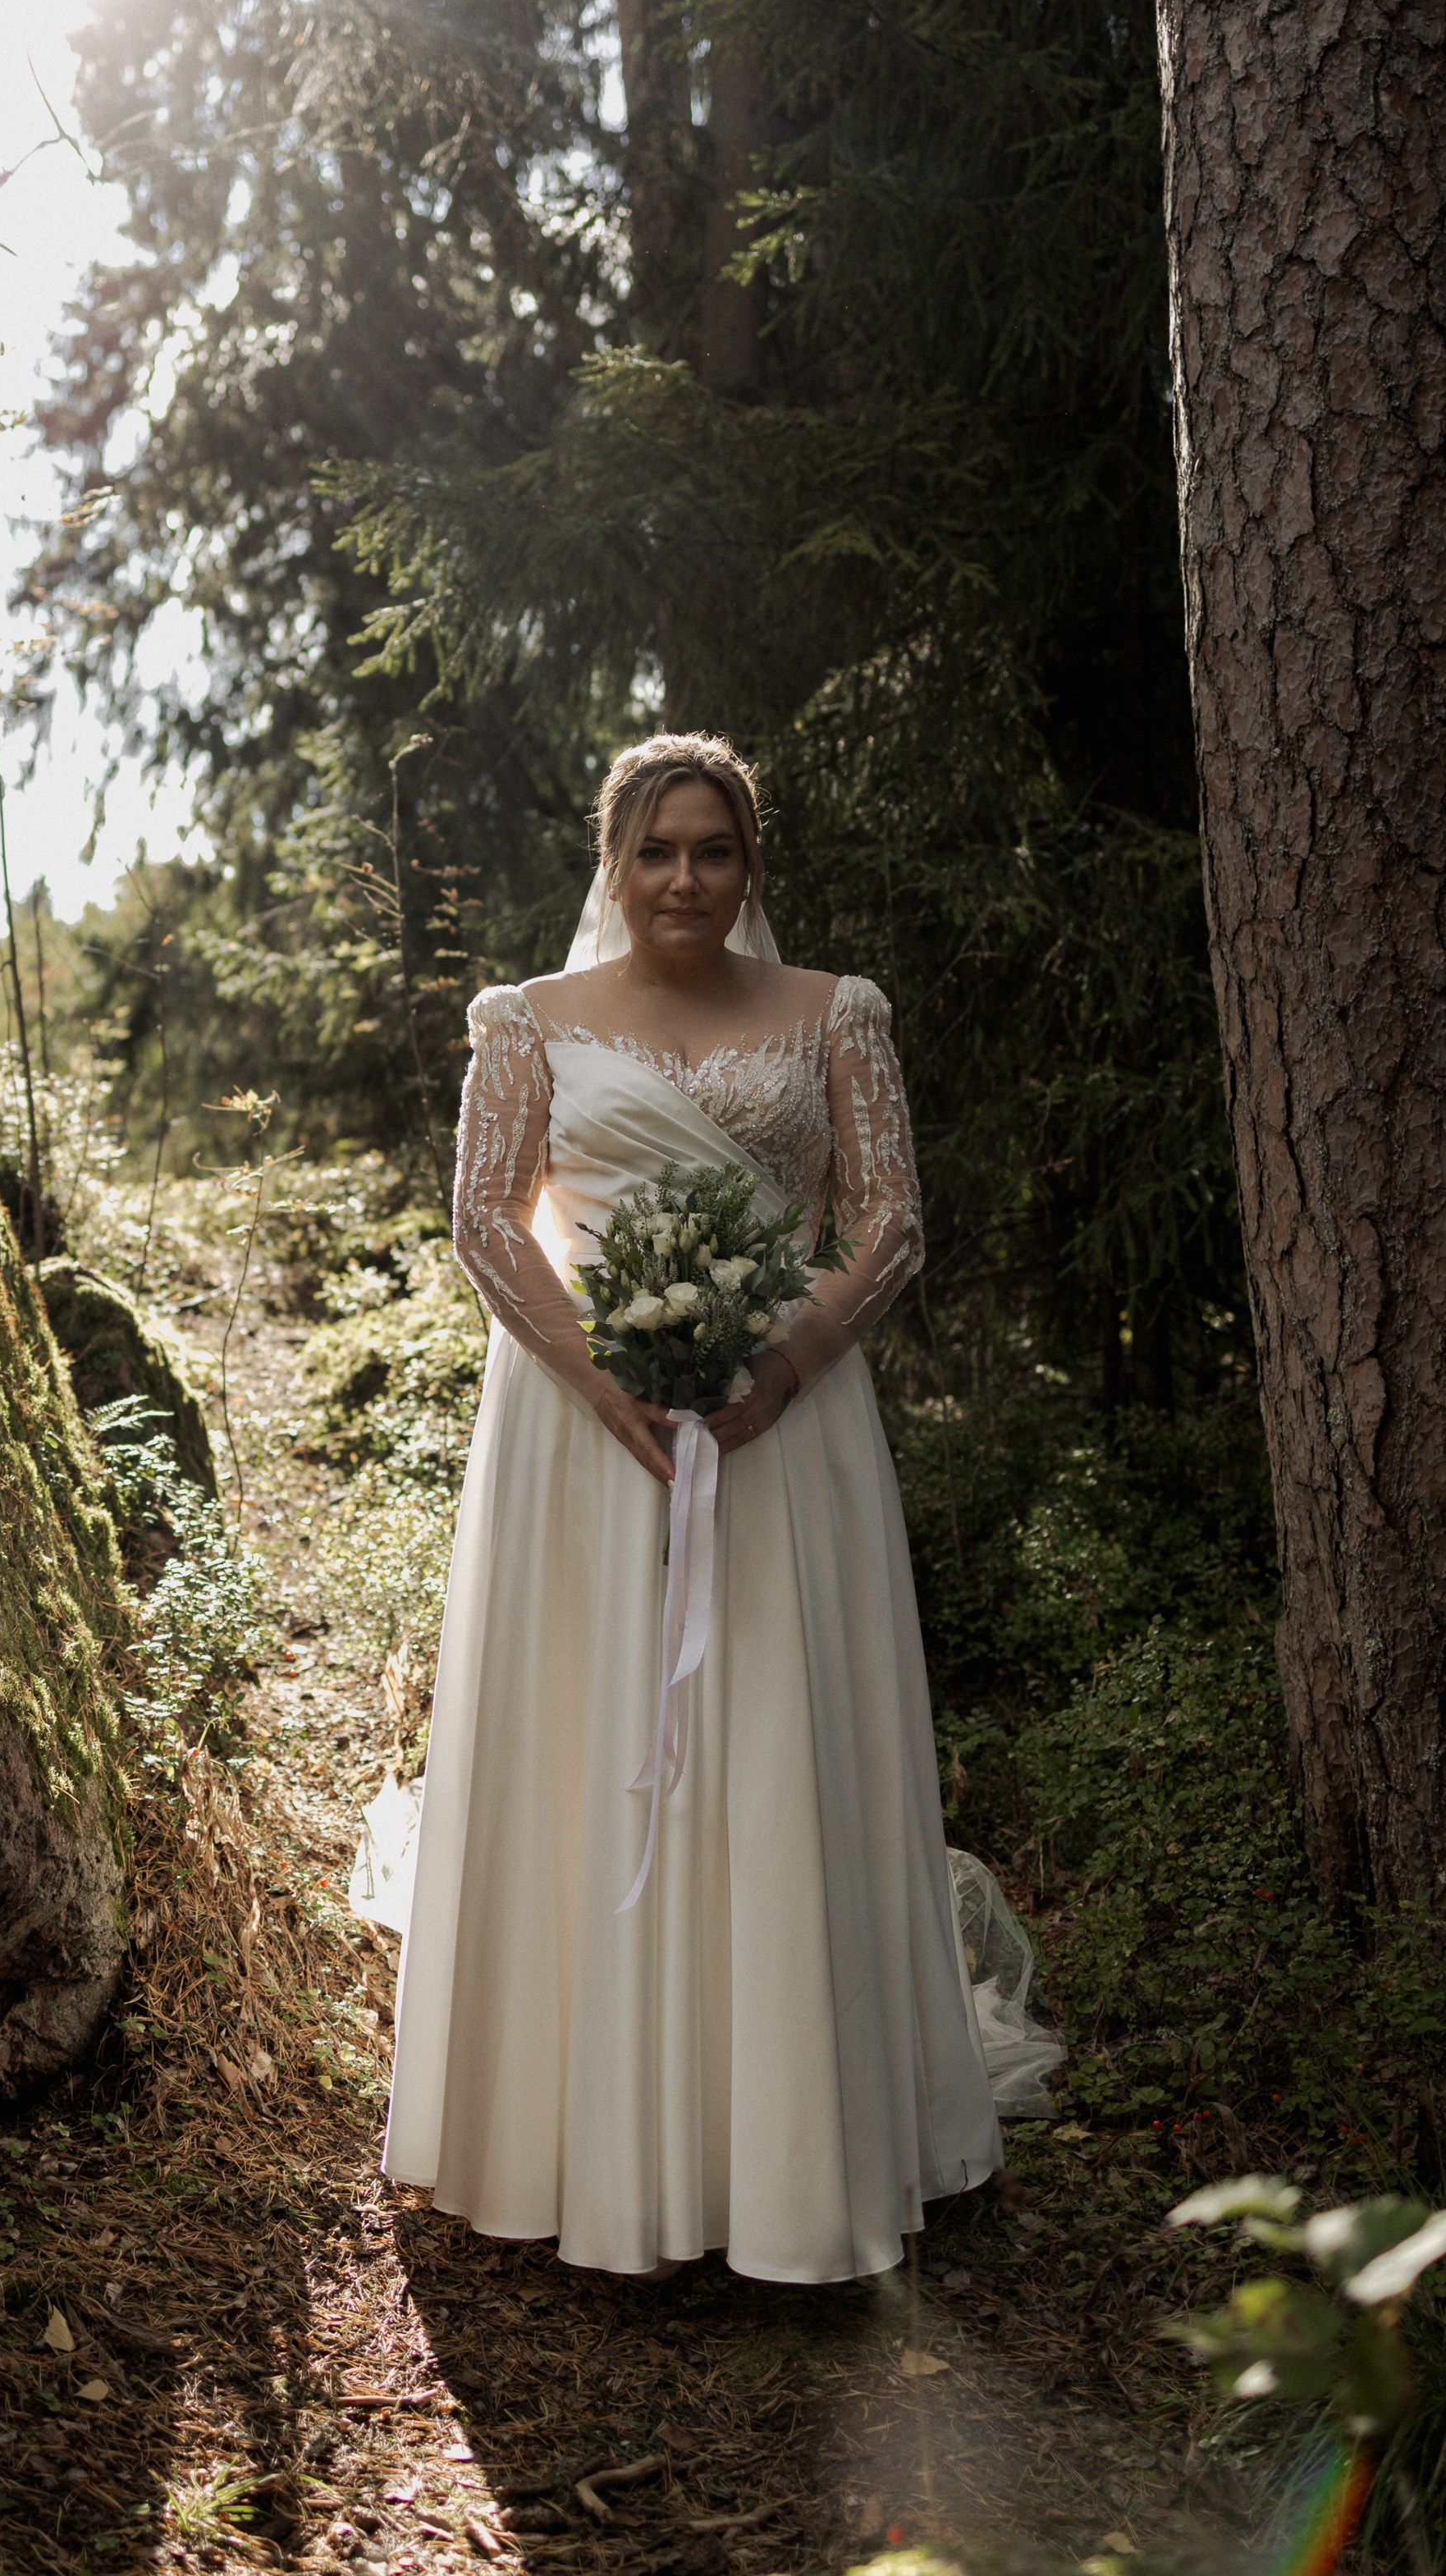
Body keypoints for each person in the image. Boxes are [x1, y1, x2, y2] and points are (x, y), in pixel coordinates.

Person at [381, 733, 1004, 2281]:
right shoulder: (527, 1022)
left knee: (778, 1736)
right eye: (657, 850)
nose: (684, 879)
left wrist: (784, 1363)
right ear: (613, 861)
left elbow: (892, 1223)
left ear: (749, 866)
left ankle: (790, 2153)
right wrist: (605, 1380)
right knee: (600, 1745)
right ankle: (577, 2137)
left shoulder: (832, 1015)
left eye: (713, 851)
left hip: (786, 1425)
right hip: (579, 1430)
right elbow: (481, 1216)